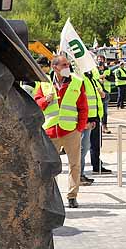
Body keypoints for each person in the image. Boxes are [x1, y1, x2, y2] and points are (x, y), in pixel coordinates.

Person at [34, 54, 90, 208]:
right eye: (64, 65)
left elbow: (83, 108)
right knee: (50, 166)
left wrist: (79, 128)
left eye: (68, 65)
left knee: (75, 165)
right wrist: (46, 100)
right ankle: (51, 197)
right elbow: (36, 104)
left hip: (71, 131)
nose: (67, 67)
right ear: (55, 67)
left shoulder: (77, 82)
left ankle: (72, 196)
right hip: (51, 131)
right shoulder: (44, 83)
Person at [80, 68, 112, 176]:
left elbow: (104, 97)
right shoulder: (81, 79)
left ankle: (96, 165)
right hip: (85, 119)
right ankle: (79, 173)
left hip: (95, 117)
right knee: (83, 147)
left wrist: (103, 95)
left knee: (96, 144)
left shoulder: (93, 80)